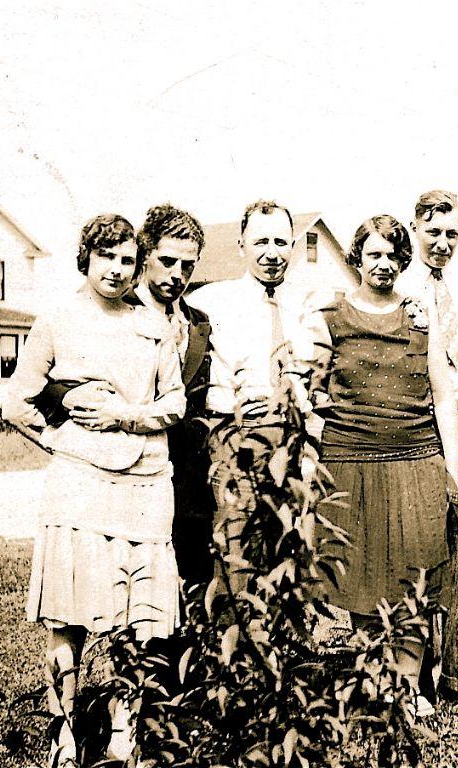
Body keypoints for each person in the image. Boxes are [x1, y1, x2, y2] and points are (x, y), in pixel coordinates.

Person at [3, 214, 186, 766]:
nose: (117, 269)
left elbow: (174, 403)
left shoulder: (153, 324)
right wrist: (62, 445)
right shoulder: (57, 319)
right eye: (107, 256)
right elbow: (18, 404)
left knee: (139, 614)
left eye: (128, 260)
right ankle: (63, 729)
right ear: (87, 258)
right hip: (78, 485)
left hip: (145, 480)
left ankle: (122, 731)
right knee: (69, 611)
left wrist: (125, 416)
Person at [312, 214, 458, 718]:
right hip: (350, 461)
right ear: (358, 258)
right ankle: (373, 682)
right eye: (372, 254)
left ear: (404, 261)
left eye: (391, 255)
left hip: (415, 460)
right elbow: (309, 390)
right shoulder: (330, 315)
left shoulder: (421, 320)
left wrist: (454, 466)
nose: (382, 264)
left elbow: (444, 396)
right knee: (361, 576)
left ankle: (408, 685)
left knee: (416, 573)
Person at [36, 204, 214, 590]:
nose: (177, 274)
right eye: (166, 261)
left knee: (182, 589)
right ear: (144, 257)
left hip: (186, 479)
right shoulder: (106, 308)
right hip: (118, 473)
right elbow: (47, 385)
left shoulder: (199, 323)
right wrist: (73, 402)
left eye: (187, 266)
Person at [188, 200, 316, 588]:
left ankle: (282, 646)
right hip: (236, 440)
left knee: (289, 550)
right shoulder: (210, 301)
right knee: (237, 550)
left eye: (281, 242)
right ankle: (234, 642)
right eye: (261, 241)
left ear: (293, 246)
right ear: (241, 244)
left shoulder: (310, 304)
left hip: (295, 444)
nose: (271, 253)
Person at [398, 190, 458, 711]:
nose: (442, 242)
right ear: (416, 228)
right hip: (428, 424)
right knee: (423, 550)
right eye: (433, 231)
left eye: (452, 232)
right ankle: (416, 680)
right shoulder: (405, 287)